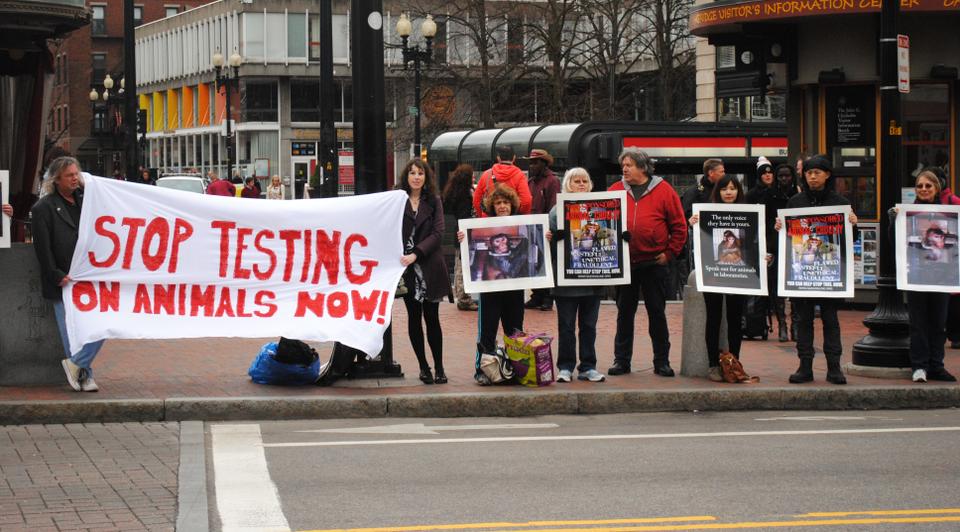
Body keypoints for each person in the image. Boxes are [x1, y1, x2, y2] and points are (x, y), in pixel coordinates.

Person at [774, 154, 858, 385]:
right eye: (809, 172)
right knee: (804, 320)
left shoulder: (840, 202)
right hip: (803, 272)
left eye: (817, 172)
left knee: (831, 319)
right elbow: (788, 238)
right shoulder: (795, 202)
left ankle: (834, 367)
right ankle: (805, 366)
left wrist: (852, 224)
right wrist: (780, 227)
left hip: (830, 272)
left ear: (827, 175)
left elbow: (850, 239)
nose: (812, 176)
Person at [608, 148, 687, 377]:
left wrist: (669, 253)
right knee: (624, 314)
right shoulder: (614, 190)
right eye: (623, 165)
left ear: (643, 167)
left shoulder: (664, 190)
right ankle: (621, 361)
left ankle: (661, 361)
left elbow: (679, 227)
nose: (624, 169)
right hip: (624, 264)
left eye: (629, 165)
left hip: (654, 263)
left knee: (657, 314)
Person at [30, 156, 105, 392]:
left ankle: (76, 365)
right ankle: (85, 376)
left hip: (88, 277)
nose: (75, 178)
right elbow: (43, 247)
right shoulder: (43, 208)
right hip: (63, 280)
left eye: (77, 174)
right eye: (69, 175)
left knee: (103, 326)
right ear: (56, 180)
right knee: (71, 333)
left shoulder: (87, 201)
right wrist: (56, 274)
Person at [688, 175, 766, 381]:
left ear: (739, 191)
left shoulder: (748, 214)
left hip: (739, 274)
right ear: (718, 192)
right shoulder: (707, 213)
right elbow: (703, 242)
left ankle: (735, 362)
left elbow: (753, 244)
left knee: (734, 319)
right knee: (713, 318)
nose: (729, 192)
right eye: (724, 189)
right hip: (714, 274)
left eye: (733, 188)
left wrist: (764, 255)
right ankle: (714, 365)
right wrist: (693, 223)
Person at [889, 171, 956, 383]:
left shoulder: (949, 214)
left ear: (936, 188)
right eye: (920, 186)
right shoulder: (907, 213)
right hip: (916, 276)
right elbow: (895, 243)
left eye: (928, 186)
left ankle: (937, 365)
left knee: (938, 324)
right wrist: (894, 221)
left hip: (942, 277)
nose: (924, 189)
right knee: (918, 324)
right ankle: (919, 366)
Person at [458, 183, 527, 385]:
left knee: (515, 331)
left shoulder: (523, 226)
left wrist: (544, 236)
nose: (503, 206)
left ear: (512, 204)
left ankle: (516, 369)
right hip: (490, 291)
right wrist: (462, 238)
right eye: (498, 203)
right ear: (492, 206)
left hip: (514, 290)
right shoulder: (481, 226)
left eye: (506, 202)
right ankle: (482, 370)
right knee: (487, 332)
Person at [548, 167, 606, 383]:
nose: (581, 184)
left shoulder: (601, 209)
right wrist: (555, 238)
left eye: (584, 181)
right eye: (576, 181)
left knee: (589, 326)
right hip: (567, 280)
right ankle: (565, 367)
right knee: (567, 326)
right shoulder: (556, 212)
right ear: (567, 185)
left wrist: (621, 238)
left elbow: (608, 237)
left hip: (594, 278)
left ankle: (588, 366)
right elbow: (549, 246)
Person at [398, 159, 450, 385]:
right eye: (412, 173)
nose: (416, 177)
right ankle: (423, 366)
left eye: (420, 173)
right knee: (413, 318)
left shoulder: (434, 201)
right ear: (406, 177)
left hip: (429, 266)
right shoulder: (398, 201)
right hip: (407, 270)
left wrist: (416, 253)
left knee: (432, 318)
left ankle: (439, 367)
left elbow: (438, 233)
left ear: (426, 177)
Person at [747, 161, 797, 342]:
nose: (784, 179)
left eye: (787, 175)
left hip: (796, 246)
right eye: (781, 175)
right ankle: (782, 324)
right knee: (776, 287)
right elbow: (763, 222)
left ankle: (795, 325)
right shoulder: (768, 195)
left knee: (795, 286)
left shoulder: (798, 194)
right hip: (774, 245)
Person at [524, 149, 561, 311]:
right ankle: (536, 295)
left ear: (544, 163)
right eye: (531, 162)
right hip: (530, 228)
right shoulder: (530, 182)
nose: (532, 165)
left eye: (535, 162)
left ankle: (547, 297)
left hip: (546, 229)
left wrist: (547, 227)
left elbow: (554, 207)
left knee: (547, 263)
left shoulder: (552, 181)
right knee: (534, 263)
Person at [442, 163, 478, 311]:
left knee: (460, 263)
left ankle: (461, 295)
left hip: (459, 231)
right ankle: (463, 297)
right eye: (472, 175)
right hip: (466, 231)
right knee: (463, 265)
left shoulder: (453, 193)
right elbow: (467, 214)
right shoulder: (466, 195)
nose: (474, 177)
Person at [472, 145, 532, 218]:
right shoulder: (519, 175)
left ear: (498, 158)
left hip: (489, 220)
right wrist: (519, 216)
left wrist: (483, 216)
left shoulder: (486, 175)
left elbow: (476, 200)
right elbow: (526, 201)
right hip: (512, 220)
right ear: (514, 158)